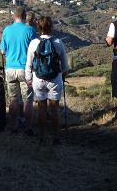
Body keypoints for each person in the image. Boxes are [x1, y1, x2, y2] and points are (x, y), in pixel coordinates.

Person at [25, 16, 69, 144]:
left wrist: (29, 80)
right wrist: (63, 73)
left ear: (38, 28)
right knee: (55, 109)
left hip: (38, 79)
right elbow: (65, 65)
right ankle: (56, 137)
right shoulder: (58, 43)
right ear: (51, 27)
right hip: (55, 78)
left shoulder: (34, 43)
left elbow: (28, 64)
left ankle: (42, 137)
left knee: (41, 109)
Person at [0, 7, 37, 135]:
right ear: (24, 16)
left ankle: (13, 127)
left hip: (10, 69)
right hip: (25, 69)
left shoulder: (7, 30)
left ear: (14, 16)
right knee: (28, 101)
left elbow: (3, 51)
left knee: (13, 100)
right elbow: (37, 50)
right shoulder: (30, 30)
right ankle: (28, 129)